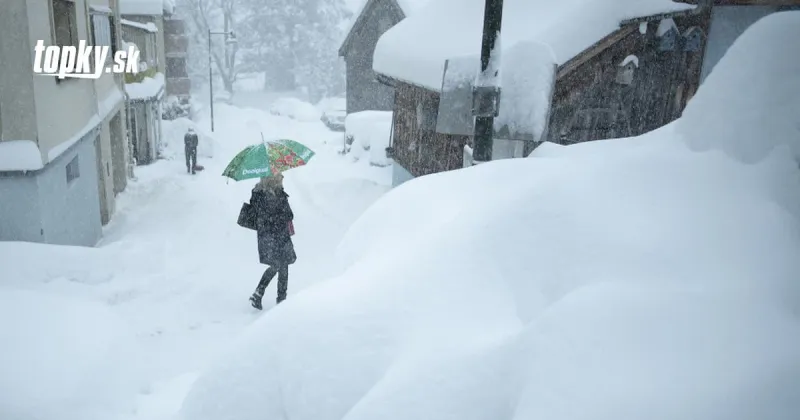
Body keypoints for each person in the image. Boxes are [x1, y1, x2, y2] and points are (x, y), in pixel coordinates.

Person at [249, 173, 297, 310]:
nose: (282, 177)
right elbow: (288, 215)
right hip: (278, 236)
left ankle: (260, 294)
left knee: (280, 265)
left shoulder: (258, 194)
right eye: (279, 175)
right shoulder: (276, 194)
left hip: (268, 237)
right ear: (273, 179)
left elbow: (259, 215)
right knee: (281, 265)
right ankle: (280, 300)